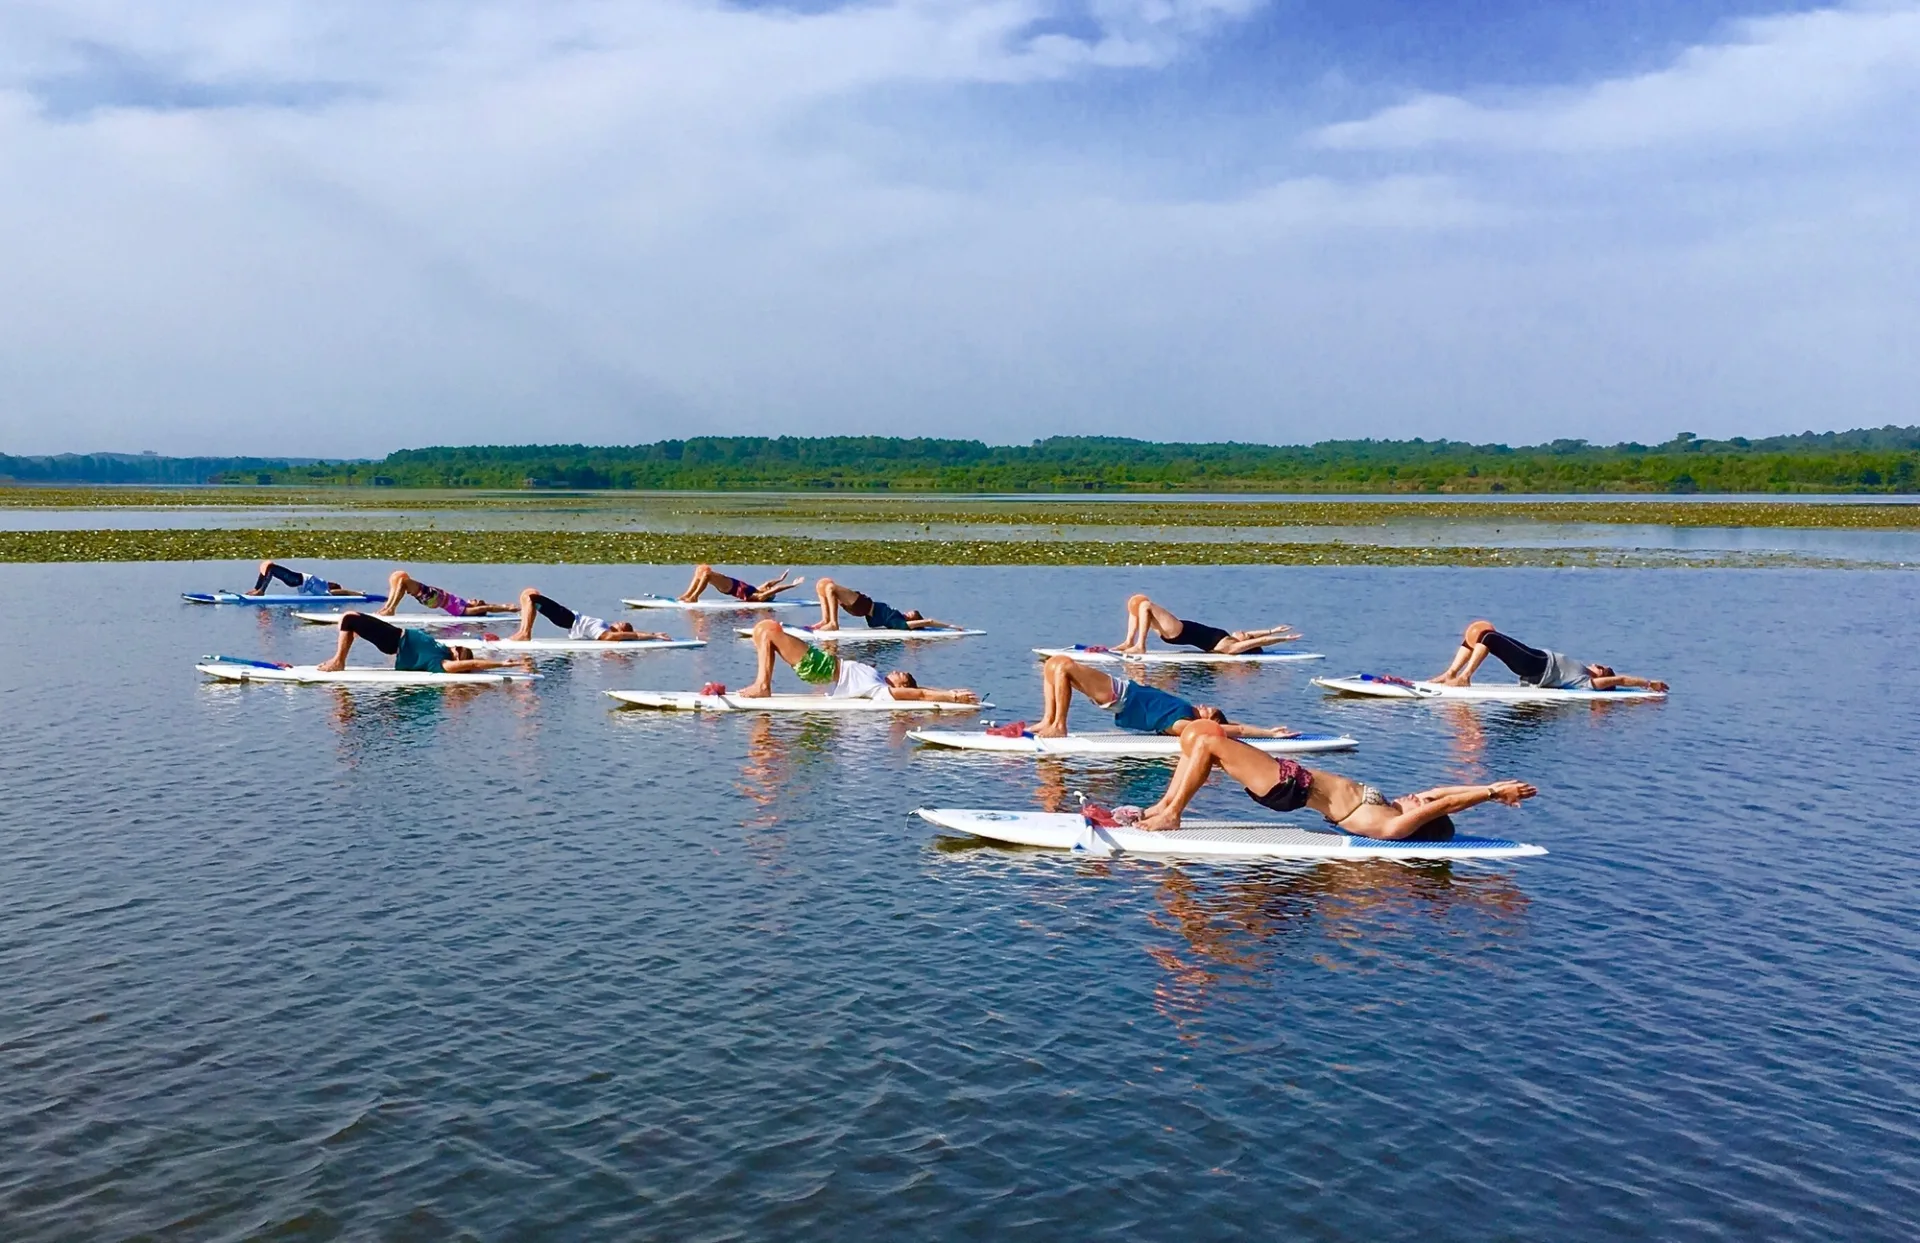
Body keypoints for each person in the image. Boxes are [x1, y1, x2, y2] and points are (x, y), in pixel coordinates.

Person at [1129, 720, 1537, 837]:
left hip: (1290, 787)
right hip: (1290, 780)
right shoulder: (1397, 806)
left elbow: (1444, 804)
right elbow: (1442, 793)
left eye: (1420, 804)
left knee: (1209, 742)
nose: (1418, 796)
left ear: (1423, 818)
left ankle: (1172, 814)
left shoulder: (1392, 825)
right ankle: (1162, 807)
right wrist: (1495, 789)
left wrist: (1490, 792)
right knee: (1199, 733)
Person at [1034, 654, 1294, 740]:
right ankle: (1048, 720)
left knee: (1065, 666)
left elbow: (1232, 729)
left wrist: (1269, 734)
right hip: (1122, 691)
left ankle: (1059, 725)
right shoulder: (1183, 713)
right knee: (1053, 665)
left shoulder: (1182, 724)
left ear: (1208, 722)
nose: (1203, 706)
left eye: (1208, 711)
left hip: (1120, 694)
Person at [738, 617, 978, 703]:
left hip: (820, 667)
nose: (895, 670)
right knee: (762, 630)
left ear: (900, 686)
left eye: (900, 675)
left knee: (769, 630)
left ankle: (763, 685)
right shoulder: (880, 682)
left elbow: (920, 695)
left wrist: (953, 698)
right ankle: (763, 683)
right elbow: (922, 690)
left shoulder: (881, 690)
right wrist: (948, 689)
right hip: (821, 664)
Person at [1431, 621, 1669, 691]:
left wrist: (1648, 684)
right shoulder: (1585, 673)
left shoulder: (1588, 682)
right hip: (1534, 659)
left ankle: (1465, 677)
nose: (1600, 665)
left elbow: (1620, 680)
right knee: (1480, 632)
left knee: (1488, 637)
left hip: (1536, 664)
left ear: (1601, 677)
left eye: (1603, 668)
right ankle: (1450, 673)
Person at [316, 613, 529, 675]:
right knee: (351, 622)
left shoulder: (442, 663)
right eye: (458, 647)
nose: (456, 647)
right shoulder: (443, 650)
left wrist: (504, 664)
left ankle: (338, 662)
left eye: (459, 651)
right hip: (394, 637)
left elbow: (473, 665)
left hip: (394, 640)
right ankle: (339, 657)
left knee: (349, 619)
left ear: (457, 659)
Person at [1116, 594, 1298, 656]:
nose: (1245, 632)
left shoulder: (1232, 647)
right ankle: (1129, 642)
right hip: (1178, 631)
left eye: (1247, 636)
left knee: (1146, 604)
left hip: (1179, 631)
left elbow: (1262, 642)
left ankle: (1140, 646)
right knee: (1138, 605)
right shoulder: (1232, 639)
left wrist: (1283, 639)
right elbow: (1257, 636)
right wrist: (1272, 629)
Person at [509, 589, 670, 643]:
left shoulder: (604, 633)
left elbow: (623, 636)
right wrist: (653, 633)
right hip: (567, 616)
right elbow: (632, 633)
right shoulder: (605, 627)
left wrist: (653, 635)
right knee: (529, 593)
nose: (621, 621)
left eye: (623, 624)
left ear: (620, 631)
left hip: (567, 619)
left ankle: (525, 633)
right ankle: (523, 631)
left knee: (531, 597)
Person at [811, 577, 959, 631]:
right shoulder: (897, 617)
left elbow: (929, 621)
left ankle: (833, 623)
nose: (909, 612)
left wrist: (951, 627)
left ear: (912, 620)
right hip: (859, 607)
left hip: (862, 605)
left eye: (912, 614)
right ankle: (826, 619)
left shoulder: (898, 622)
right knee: (822, 585)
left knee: (830, 587)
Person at [377, 569, 517, 619]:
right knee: (401, 583)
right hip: (432, 597)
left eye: (478, 601)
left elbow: (488, 607)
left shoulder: (464, 610)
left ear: (476, 608)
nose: (476, 599)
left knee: (403, 581)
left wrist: (507, 608)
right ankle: (388, 608)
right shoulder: (462, 605)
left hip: (433, 598)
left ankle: (391, 608)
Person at [677, 565, 805, 604]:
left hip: (729, 587)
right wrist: (781, 578)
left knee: (707, 575)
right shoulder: (758, 590)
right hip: (731, 581)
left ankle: (695, 597)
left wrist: (792, 585)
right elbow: (769, 584)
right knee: (701, 570)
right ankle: (687, 595)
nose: (766, 588)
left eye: (767, 591)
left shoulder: (758, 597)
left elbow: (775, 589)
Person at [243, 561, 365, 597]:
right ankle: (257, 589)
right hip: (295, 579)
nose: (333, 583)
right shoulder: (322, 584)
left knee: (270, 567)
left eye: (335, 584)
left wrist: (358, 594)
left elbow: (345, 592)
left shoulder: (325, 590)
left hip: (295, 580)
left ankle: (260, 590)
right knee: (268, 565)